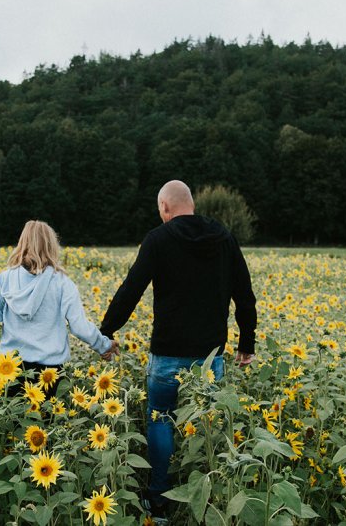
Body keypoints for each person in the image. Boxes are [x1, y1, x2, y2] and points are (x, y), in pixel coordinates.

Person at [99, 180, 257, 521]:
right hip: (210, 355)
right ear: (192, 204)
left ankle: (158, 499)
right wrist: (247, 343)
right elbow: (244, 294)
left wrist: (105, 331)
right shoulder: (224, 238)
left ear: (164, 208)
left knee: (160, 418)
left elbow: (131, 290)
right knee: (207, 424)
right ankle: (210, 498)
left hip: (168, 353)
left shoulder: (158, 239)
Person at [0, 220, 118, 396]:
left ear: (22, 243)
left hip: (10, 368)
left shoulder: (5, 279)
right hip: (50, 371)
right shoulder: (62, 282)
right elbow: (79, 326)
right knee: (46, 421)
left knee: (13, 420)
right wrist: (103, 345)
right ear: (52, 245)